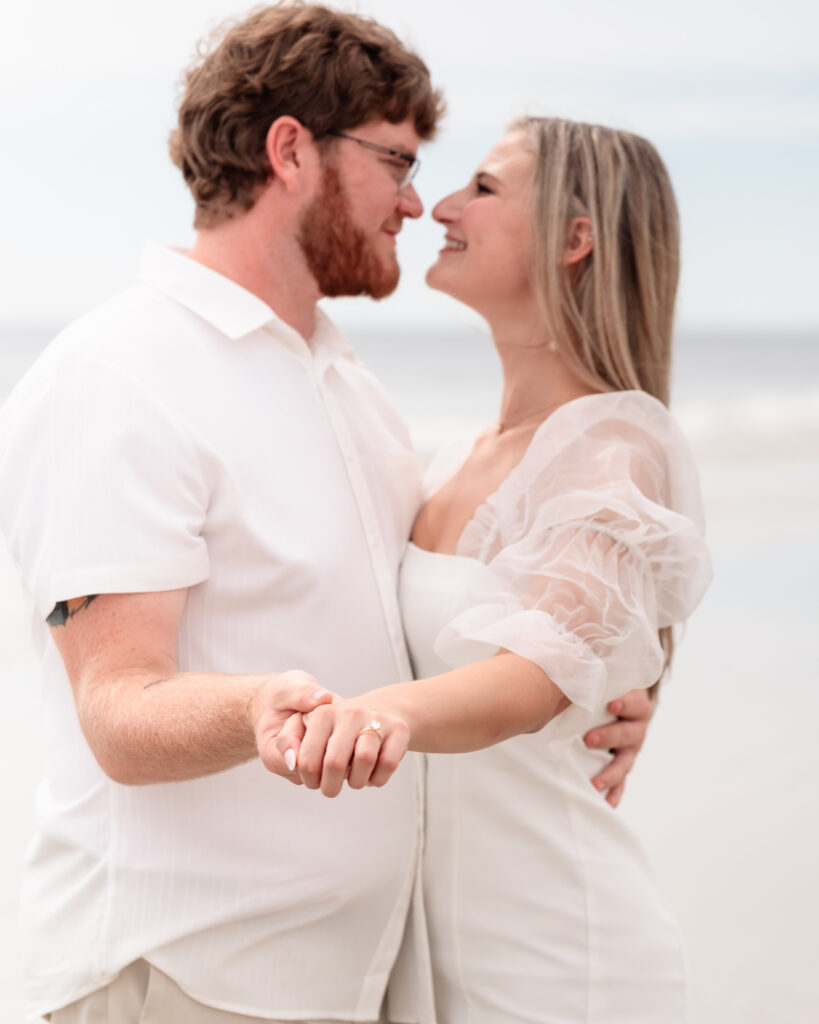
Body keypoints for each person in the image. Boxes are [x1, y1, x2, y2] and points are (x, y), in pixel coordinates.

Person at [0, 6, 652, 1022]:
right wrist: (260, 708)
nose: (417, 202)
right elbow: (119, 710)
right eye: (396, 162)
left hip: (355, 980)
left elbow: (438, 610)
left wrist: (592, 674)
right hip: (183, 976)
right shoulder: (119, 374)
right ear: (292, 151)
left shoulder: (353, 392)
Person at [273, 118, 712, 1022]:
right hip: (427, 957)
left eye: (482, 187)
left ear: (574, 238)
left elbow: (534, 676)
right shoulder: (455, 457)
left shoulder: (612, 447)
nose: (439, 206)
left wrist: (370, 718)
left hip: (555, 958)